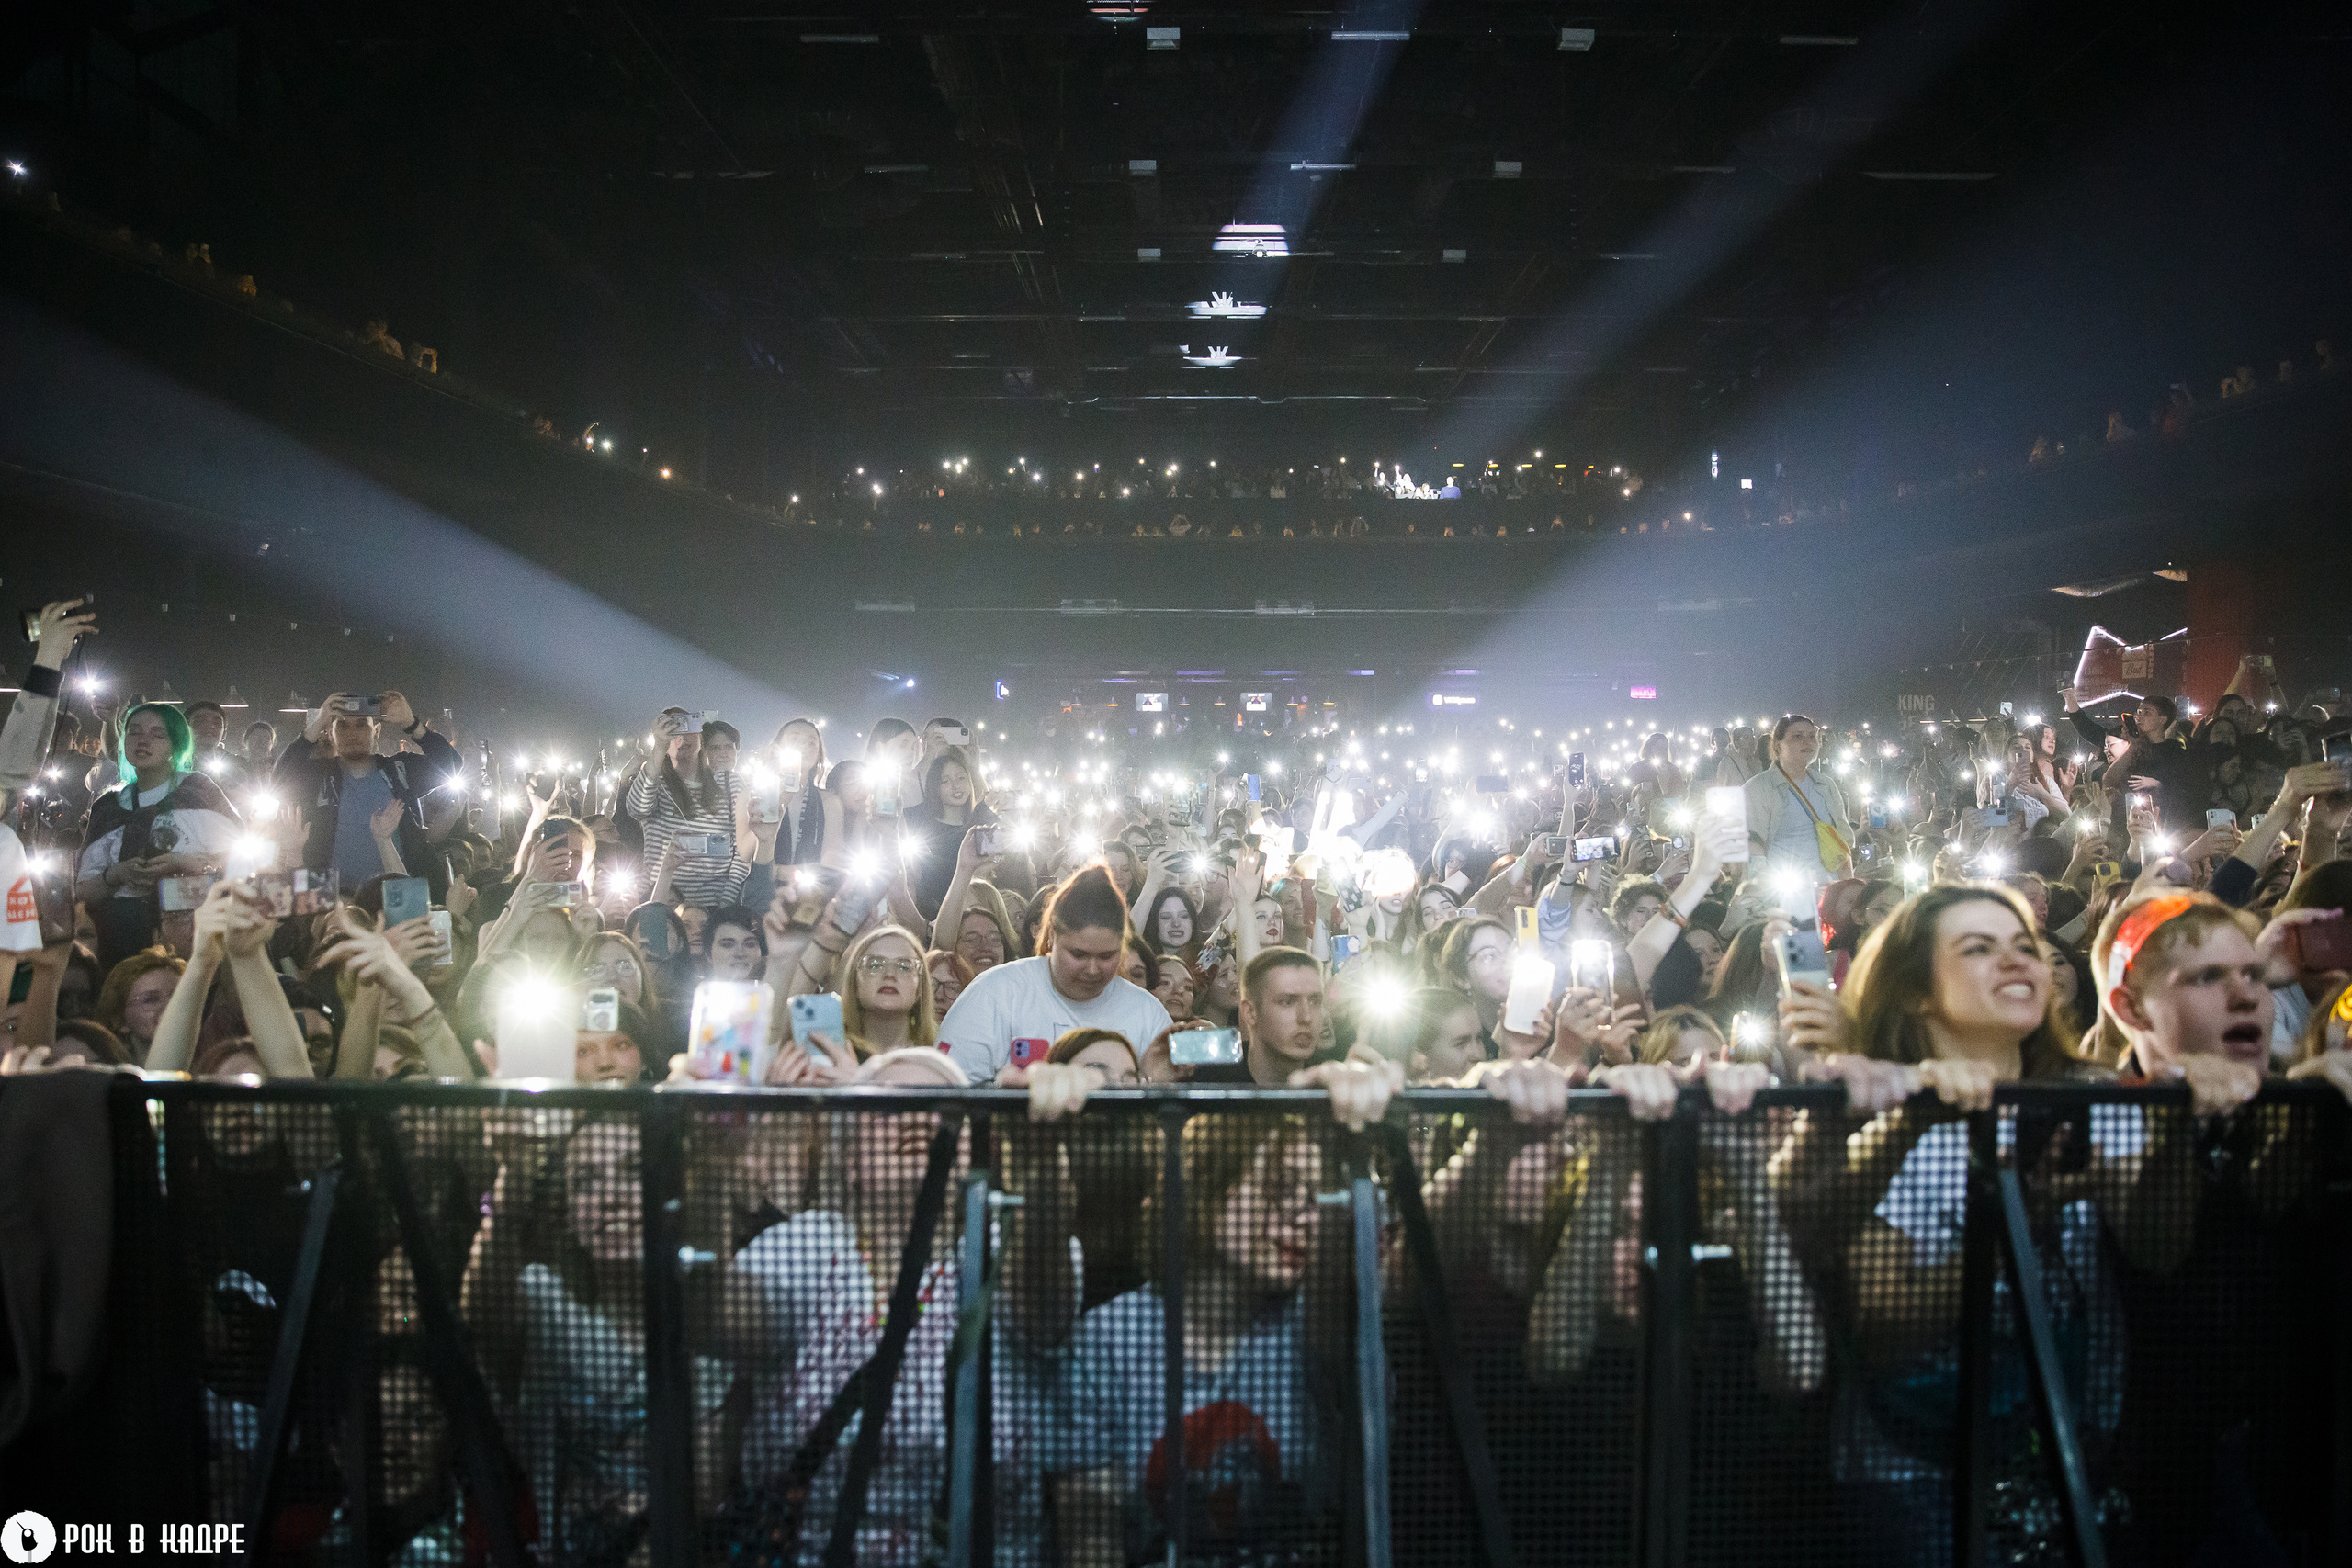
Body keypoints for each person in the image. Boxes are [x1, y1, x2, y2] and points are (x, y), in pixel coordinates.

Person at [1773, 883, 2120, 1566]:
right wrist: (2020, 1217)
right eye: (1979, 949)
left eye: (2026, 946)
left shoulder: (2091, 1094)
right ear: (1915, 991)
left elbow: (2163, 1254)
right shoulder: (1885, 1115)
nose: (2021, 961)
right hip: (1916, 1478)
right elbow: (1886, 1328)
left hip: (2076, 1465)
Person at [938, 864, 1172, 1081]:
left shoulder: (1148, 1014)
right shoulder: (994, 994)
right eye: (1078, 955)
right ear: (1051, 937)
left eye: (1106, 956)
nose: (1092, 970)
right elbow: (948, 1087)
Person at [76, 703, 244, 969]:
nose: (143, 740)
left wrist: (184, 863)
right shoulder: (106, 805)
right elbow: (83, 890)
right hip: (120, 936)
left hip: (192, 931)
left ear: (175, 745)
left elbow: (246, 862)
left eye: (157, 733)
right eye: (134, 732)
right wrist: (116, 874)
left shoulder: (198, 790)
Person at [274, 689, 463, 892]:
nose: (352, 733)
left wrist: (411, 723)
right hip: (334, 900)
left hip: (401, 894)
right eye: (343, 726)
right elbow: (280, 779)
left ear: (377, 730)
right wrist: (317, 724)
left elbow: (451, 765)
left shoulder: (400, 770)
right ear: (330, 732)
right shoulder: (319, 775)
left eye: (362, 725)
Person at [625, 707, 748, 909]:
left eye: (688, 727)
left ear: (700, 736)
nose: (682, 737)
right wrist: (659, 748)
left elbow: (742, 850)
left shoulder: (729, 782)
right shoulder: (656, 783)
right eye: (673, 731)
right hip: (663, 897)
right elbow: (637, 808)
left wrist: (726, 901)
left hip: (715, 904)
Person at [1743, 714, 1854, 878]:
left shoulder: (1825, 785)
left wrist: (1847, 885)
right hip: (1783, 892)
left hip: (1828, 887)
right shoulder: (1758, 788)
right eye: (1797, 736)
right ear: (1777, 745)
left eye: (1812, 736)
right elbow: (1752, 846)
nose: (1807, 742)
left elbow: (1842, 842)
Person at [94, 947, 184, 1065]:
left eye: (177, 996)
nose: (169, 1007)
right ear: (119, 1020)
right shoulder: (109, 1079)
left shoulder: (210, 1065)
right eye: (151, 999)